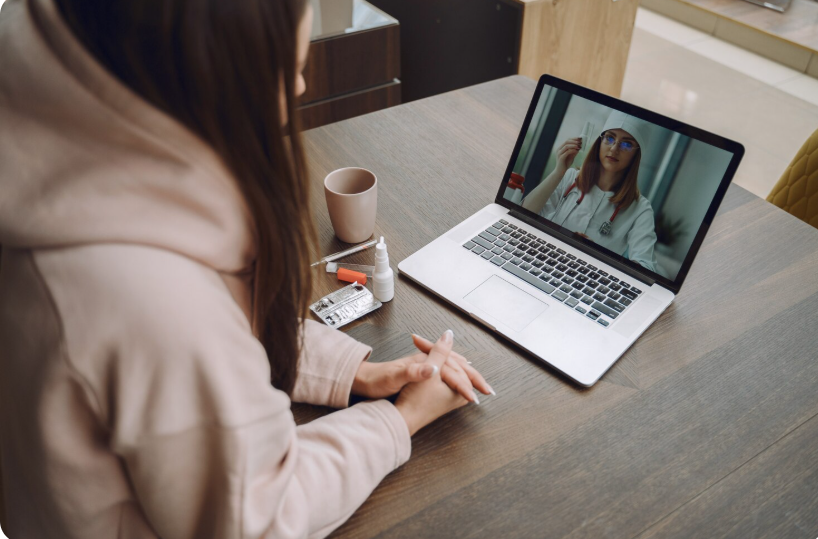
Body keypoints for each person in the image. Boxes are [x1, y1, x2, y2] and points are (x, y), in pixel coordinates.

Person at [0, 0, 494, 537]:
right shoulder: (154, 304)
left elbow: (213, 342)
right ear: (204, 66)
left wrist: (356, 373)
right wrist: (402, 418)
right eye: (287, 70)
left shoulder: (54, 133)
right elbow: (261, 519)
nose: (301, 90)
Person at [521, 111, 662, 275]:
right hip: (539, 259)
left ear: (636, 155)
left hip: (586, 279)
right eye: (609, 138)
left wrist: (598, 256)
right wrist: (558, 172)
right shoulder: (569, 177)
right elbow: (524, 214)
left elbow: (647, 268)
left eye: (626, 144)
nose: (614, 148)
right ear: (599, 141)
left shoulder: (640, 209)